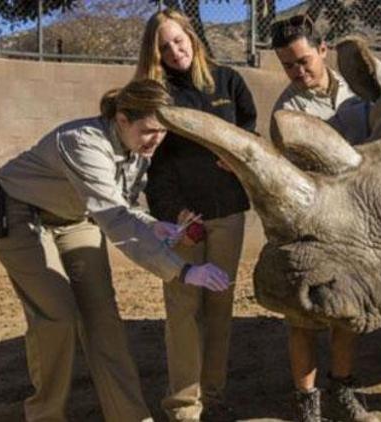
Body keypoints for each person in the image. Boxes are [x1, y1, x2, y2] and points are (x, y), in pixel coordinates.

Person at [0, 79, 231, 422]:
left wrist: (155, 226)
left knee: (104, 319)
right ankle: (45, 415)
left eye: (162, 131)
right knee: (58, 314)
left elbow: (124, 207)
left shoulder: (138, 149)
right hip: (19, 213)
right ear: (122, 120)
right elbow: (115, 219)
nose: (156, 139)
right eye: (148, 131)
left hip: (75, 219)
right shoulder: (82, 142)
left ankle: (129, 416)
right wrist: (184, 271)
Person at [270, 14, 381, 422]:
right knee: (304, 316)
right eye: (287, 65)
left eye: (303, 60)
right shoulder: (287, 109)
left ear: (323, 50)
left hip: (357, 220)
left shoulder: (357, 89)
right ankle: (307, 403)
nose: (297, 71)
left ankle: (342, 390)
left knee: (346, 311)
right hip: (312, 223)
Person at [134, 9, 257, 421]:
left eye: (178, 40)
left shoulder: (229, 82)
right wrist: (172, 213)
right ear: (156, 53)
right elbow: (153, 165)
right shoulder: (157, 94)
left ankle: (215, 395)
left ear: (192, 37)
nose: (174, 51)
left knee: (220, 306)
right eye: (164, 46)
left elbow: (250, 135)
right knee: (183, 308)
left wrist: (238, 160)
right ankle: (184, 404)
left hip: (229, 212)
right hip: (185, 219)